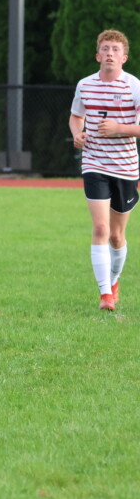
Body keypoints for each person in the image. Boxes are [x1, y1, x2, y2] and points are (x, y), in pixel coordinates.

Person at [69, 29, 140, 311]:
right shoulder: (85, 85)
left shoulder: (134, 86)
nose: (110, 53)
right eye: (105, 49)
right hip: (94, 163)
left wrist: (119, 129)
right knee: (100, 227)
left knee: (116, 236)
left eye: (115, 49)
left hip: (125, 167)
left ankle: (114, 280)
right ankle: (104, 295)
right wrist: (78, 134)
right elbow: (76, 117)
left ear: (124, 57)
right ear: (98, 55)